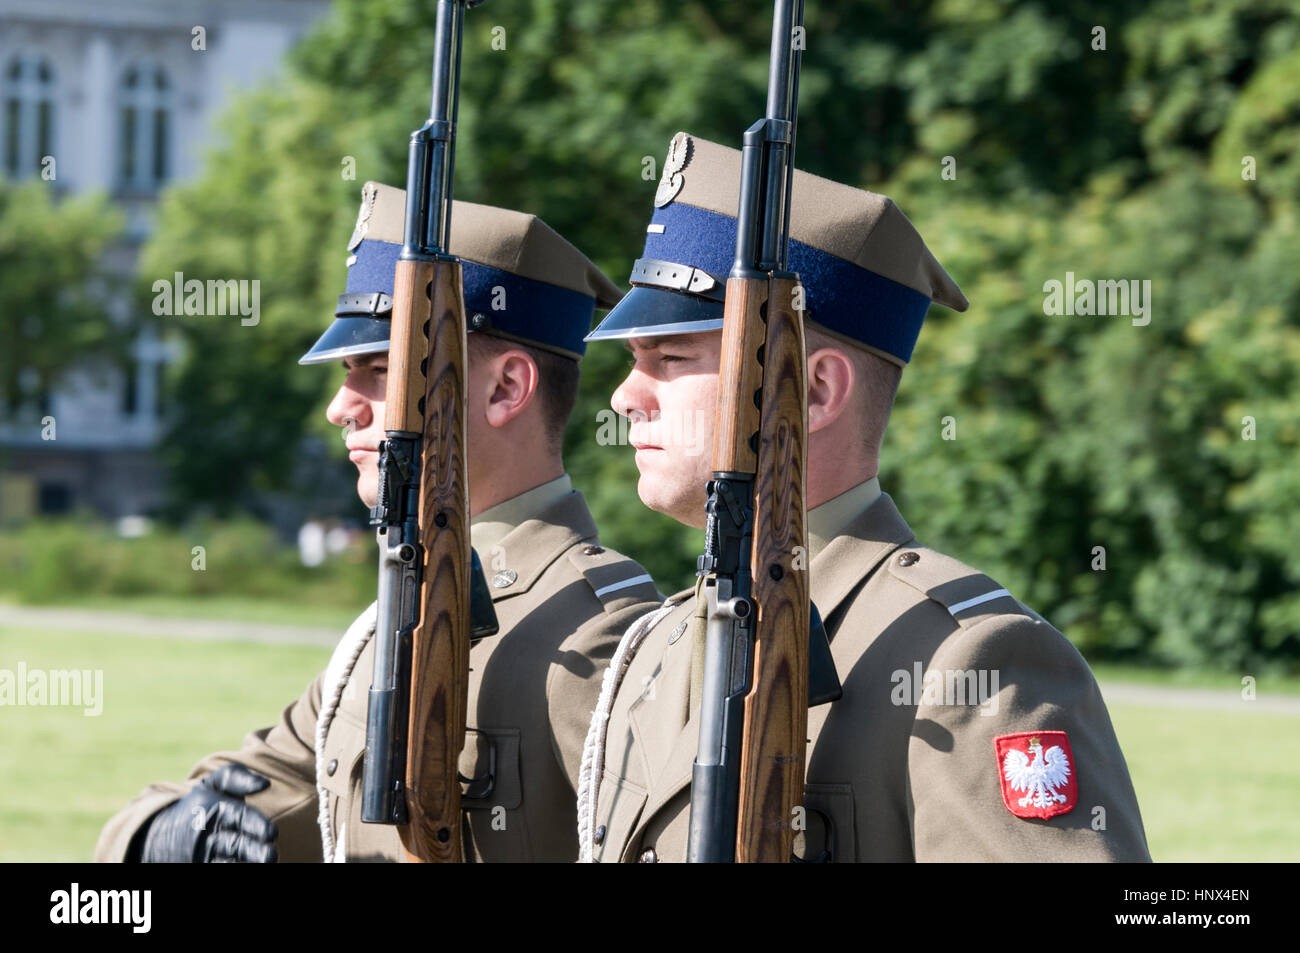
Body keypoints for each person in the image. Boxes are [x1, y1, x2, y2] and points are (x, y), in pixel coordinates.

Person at [576, 133, 1150, 862]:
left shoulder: (967, 660)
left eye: (672, 357)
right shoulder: (656, 644)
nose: (627, 396)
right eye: (634, 360)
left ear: (814, 391)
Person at [95, 182, 661, 863]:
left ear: (505, 388)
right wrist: (167, 834)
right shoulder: (386, 623)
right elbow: (246, 788)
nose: (341, 406)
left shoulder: (602, 634)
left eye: (379, 369)